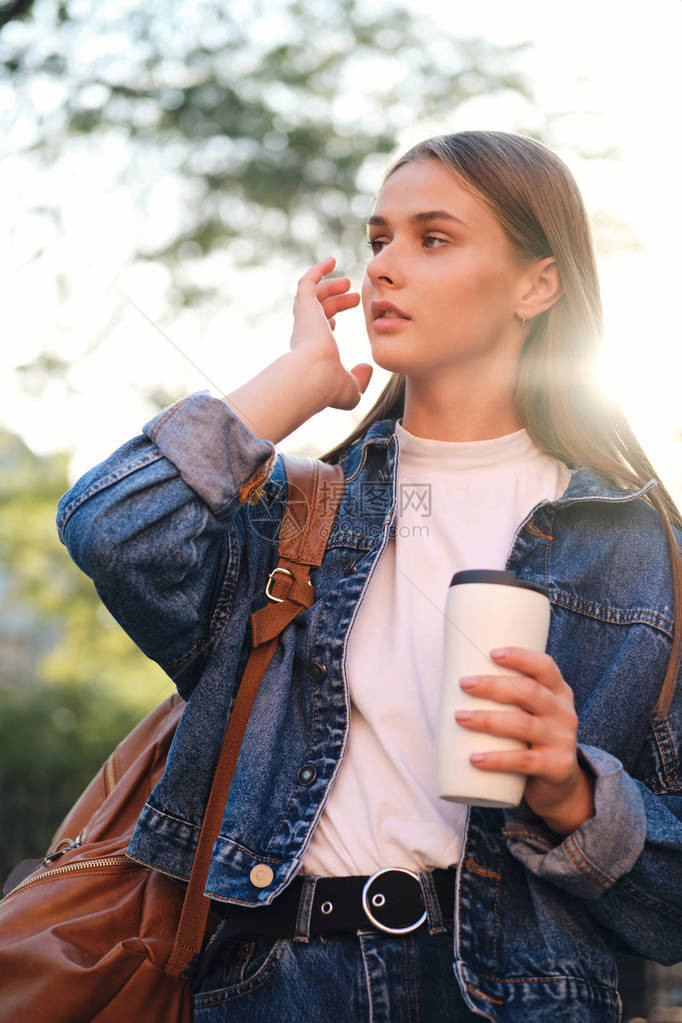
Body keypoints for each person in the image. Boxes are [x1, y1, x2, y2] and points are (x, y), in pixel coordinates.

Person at [56, 131, 682, 1022]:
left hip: (524, 998)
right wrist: (297, 381)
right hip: (276, 987)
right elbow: (112, 527)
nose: (384, 266)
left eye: (433, 238)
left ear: (537, 284)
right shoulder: (296, 516)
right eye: (379, 237)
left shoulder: (637, 547)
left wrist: (573, 793)